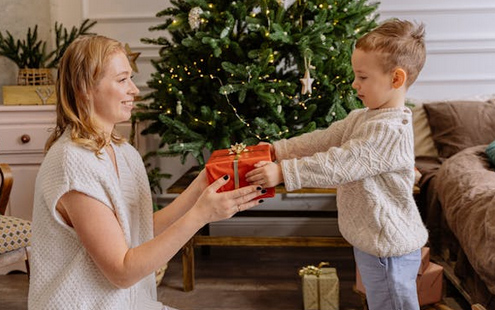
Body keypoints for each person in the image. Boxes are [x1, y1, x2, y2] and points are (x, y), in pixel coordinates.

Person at [28, 35, 265, 310]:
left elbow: (139, 229)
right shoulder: (73, 164)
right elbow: (122, 271)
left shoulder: (123, 152)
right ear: (84, 88)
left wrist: (200, 186)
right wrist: (202, 215)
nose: (135, 90)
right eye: (122, 79)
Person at [246, 19, 429, 310]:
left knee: (392, 304)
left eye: (363, 77)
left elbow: (340, 163)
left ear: (396, 79)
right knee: (380, 302)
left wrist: (283, 172)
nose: (355, 84)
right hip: (372, 242)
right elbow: (324, 140)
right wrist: (278, 150)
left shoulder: (390, 130)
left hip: (388, 250)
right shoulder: (363, 117)